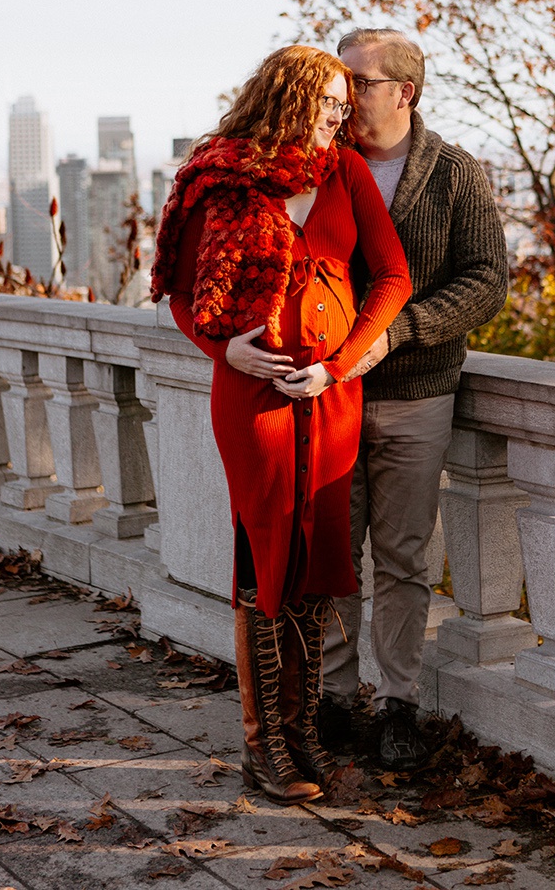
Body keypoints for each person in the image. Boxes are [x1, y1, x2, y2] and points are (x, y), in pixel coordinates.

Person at [150, 45, 410, 805]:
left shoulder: (345, 172)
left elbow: (391, 277)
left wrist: (341, 362)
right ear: (288, 101)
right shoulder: (218, 179)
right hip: (252, 401)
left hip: (330, 398)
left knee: (322, 557)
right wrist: (221, 346)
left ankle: (302, 739)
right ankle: (262, 748)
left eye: (346, 102)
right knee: (264, 561)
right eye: (329, 102)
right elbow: (179, 291)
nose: (342, 114)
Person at [320, 28, 508, 770]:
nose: (345, 95)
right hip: (325, 397)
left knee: (399, 557)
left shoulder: (454, 174)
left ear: (404, 91)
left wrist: (399, 334)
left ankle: (397, 705)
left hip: (416, 395)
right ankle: (334, 699)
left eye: (359, 82)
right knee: (333, 557)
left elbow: (486, 278)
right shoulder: (320, 168)